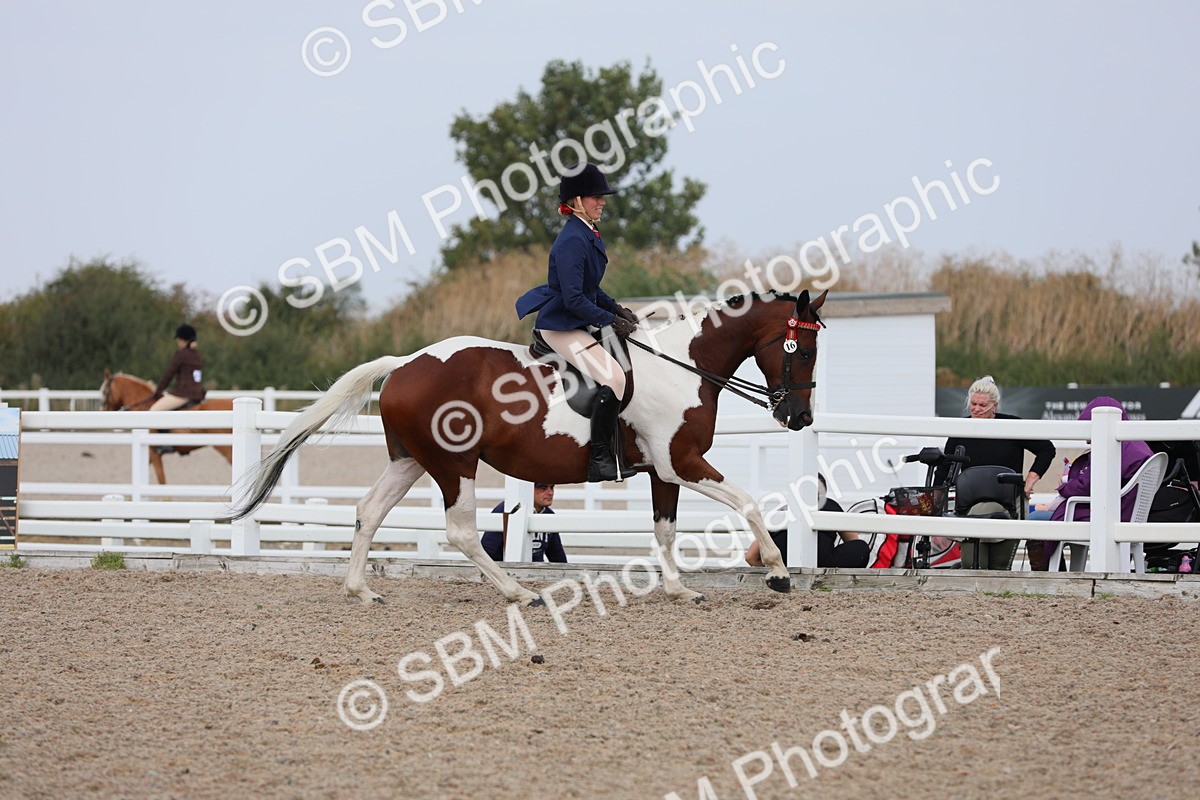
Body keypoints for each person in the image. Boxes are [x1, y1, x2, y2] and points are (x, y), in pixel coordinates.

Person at [515, 163, 639, 483]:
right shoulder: (573, 239)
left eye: (602, 197)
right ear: (577, 201)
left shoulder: (588, 233)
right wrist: (608, 320)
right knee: (614, 378)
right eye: (596, 197)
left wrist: (617, 309)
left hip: (576, 320)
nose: (603, 202)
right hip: (560, 326)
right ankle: (599, 457)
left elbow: (591, 289)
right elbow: (573, 299)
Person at [933, 375, 1055, 570]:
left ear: (995, 405)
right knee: (972, 566)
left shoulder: (1012, 425)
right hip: (971, 507)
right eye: (973, 404)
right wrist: (935, 516)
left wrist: (1031, 478)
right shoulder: (959, 430)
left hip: (1009, 505)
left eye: (982, 405)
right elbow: (944, 471)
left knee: (999, 568)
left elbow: (1047, 449)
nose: (976, 409)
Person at [1027, 396, 1153, 570]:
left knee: (1034, 519)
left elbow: (1086, 486)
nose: (1086, 437)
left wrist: (1063, 487)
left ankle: (1050, 576)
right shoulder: (1136, 446)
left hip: (1105, 515)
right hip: (1125, 512)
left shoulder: (1116, 448)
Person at [745, 475, 869, 568]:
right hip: (823, 563)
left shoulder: (781, 512)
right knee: (861, 547)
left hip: (785, 564)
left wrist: (776, 571)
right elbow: (854, 541)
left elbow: (751, 557)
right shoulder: (829, 504)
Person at [480, 483, 567, 563]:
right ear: (528, 489)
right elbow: (487, 551)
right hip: (507, 572)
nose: (550, 492)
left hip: (537, 572)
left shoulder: (548, 515)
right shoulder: (506, 510)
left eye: (552, 487)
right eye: (543, 488)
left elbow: (557, 555)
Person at [151, 324, 206, 411]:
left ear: (184, 340)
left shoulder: (181, 354)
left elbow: (169, 375)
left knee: (153, 410)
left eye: (179, 340)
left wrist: (158, 391)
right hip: (198, 394)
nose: (178, 343)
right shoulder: (197, 355)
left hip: (183, 394)